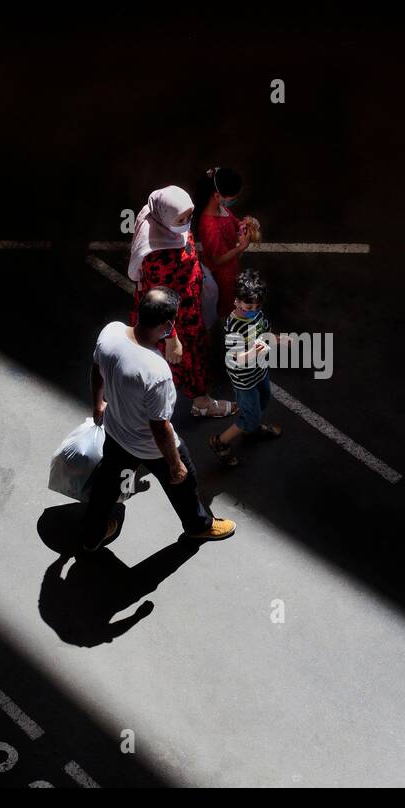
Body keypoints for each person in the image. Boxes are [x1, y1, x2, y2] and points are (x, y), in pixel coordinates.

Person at [81, 286, 236, 550]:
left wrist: (98, 404)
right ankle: (199, 526)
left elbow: (97, 369)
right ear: (167, 325)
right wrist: (174, 464)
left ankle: (93, 534)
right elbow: (160, 426)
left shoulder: (111, 333)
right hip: (151, 446)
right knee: (184, 483)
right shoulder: (157, 372)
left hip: (116, 432)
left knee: (106, 485)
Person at [127, 185, 236, 418]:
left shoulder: (162, 220)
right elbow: (158, 303)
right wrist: (171, 337)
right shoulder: (158, 257)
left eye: (189, 216)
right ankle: (201, 403)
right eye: (181, 218)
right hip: (176, 318)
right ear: (166, 216)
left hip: (187, 302)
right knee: (185, 357)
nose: (186, 222)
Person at [209, 270, 284, 467]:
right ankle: (220, 442)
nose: (254, 309)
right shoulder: (234, 326)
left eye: (257, 306)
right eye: (249, 306)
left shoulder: (257, 314)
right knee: (250, 416)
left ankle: (252, 427)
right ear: (237, 301)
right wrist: (259, 348)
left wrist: (276, 339)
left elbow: (264, 332)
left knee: (262, 401)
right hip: (245, 380)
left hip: (259, 371)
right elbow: (237, 359)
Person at [191, 166, 261, 322]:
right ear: (217, 195)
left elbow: (232, 223)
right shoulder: (209, 225)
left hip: (230, 268)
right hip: (221, 275)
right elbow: (217, 260)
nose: (234, 201)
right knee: (226, 303)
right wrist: (240, 247)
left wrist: (243, 225)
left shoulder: (220, 208)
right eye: (233, 198)